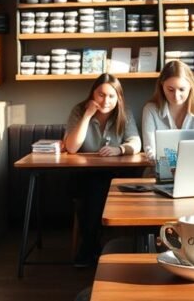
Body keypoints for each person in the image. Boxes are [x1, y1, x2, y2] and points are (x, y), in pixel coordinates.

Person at [62, 74, 141, 267]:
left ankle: (90, 248)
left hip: (116, 174)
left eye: (111, 96)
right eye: (101, 94)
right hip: (84, 174)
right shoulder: (79, 110)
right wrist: (87, 115)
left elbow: (136, 143)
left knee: (100, 187)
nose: (106, 101)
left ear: (118, 98)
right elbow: (71, 147)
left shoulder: (124, 112)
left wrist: (119, 149)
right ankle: (92, 246)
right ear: (92, 94)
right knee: (94, 187)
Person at [140, 60, 194, 158]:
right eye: (170, 90)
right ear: (162, 86)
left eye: (182, 89)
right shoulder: (150, 109)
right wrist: (165, 165)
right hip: (162, 168)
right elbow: (150, 150)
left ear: (191, 86)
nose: (176, 96)